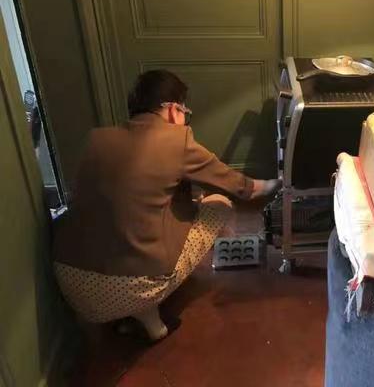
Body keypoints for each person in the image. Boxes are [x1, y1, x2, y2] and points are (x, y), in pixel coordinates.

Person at [53, 70, 280, 341]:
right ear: (173, 110)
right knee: (219, 203)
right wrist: (276, 183)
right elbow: (240, 186)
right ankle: (148, 315)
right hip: (136, 287)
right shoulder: (177, 139)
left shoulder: (96, 138)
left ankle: (137, 315)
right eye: (186, 113)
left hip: (74, 287)